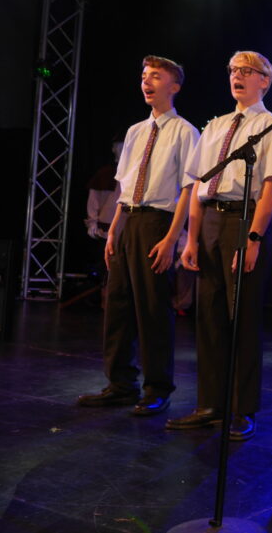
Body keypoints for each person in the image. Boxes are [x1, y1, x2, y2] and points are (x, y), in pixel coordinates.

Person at [166, 51, 272, 441]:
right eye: (234, 70)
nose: (237, 76)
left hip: (243, 220)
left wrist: (253, 238)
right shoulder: (216, 126)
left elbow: (270, 188)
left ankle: (242, 408)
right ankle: (210, 404)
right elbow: (198, 184)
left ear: (264, 81)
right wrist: (191, 238)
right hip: (210, 221)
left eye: (247, 71)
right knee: (209, 318)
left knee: (242, 319)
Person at [77, 56, 198, 416]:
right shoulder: (135, 132)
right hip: (128, 219)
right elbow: (124, 187)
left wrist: (172, 238)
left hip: (157, 221)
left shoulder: (185, 132)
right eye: (144, 76)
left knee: (153, 308)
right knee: (118, 305)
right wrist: (113, 229)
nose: (146, 82)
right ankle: (120, 383)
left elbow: (189, 189)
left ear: (174, 86)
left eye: (155, 76)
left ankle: (157, 387)